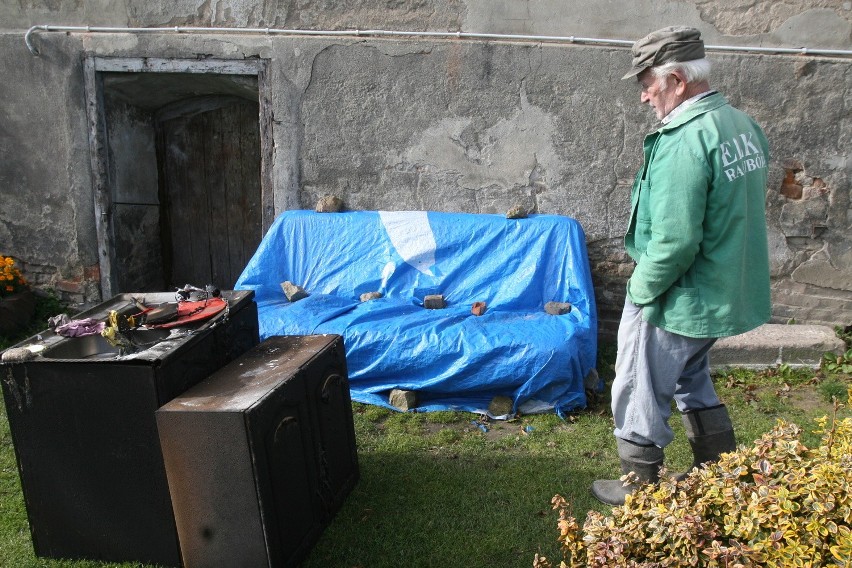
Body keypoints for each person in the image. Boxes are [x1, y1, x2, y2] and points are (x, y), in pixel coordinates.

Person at [591, 26, 772, 506]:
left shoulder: (684, 139)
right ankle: (717, 473)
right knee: (691, 376)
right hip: (720, 287)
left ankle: (638, 490)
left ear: (675, 78)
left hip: (680, 292)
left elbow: (674, 241)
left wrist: (641, 290)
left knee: (638, 384)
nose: (644, 95)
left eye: (646, 82)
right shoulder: (739, 125)